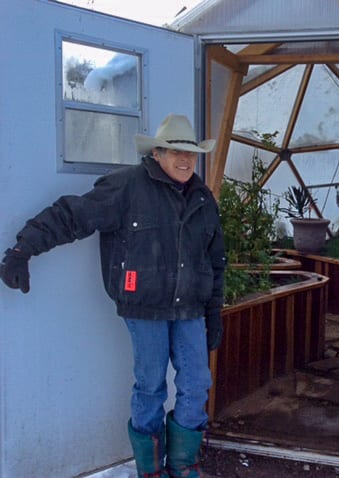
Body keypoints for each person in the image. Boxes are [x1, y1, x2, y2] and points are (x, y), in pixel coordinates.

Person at [0, 114, 226, 478]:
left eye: (192, 153)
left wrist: (213, 312)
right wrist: (22, 250)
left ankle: (183, 465)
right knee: (151, 386)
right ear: (157, 152)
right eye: (175, 151)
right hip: (144, 309)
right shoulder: (127, 187)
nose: (185, 160)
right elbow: (72, 215)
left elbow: (215, 261)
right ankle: (150, 469)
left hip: (191, 311)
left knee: (196, 384)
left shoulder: (203, 198)